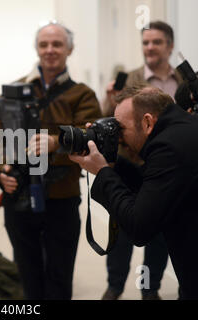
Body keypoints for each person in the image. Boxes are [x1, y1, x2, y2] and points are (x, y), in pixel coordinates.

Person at [0, 22, 102, 299]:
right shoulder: (14, 90)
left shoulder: (83, 95)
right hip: (19, 196)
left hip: (62, 199)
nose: (50, 50)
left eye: (57, 44)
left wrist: (56, 141)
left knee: (60, 277)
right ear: (37, 49)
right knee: (28, 275)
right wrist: (2, 168)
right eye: (44, 45)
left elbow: (93, 135)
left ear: (69, 49)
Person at [70, 85, 198, 300]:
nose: (118, 138)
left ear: (147, 122)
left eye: (120, 129)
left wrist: (101, 172)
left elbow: (139, 226)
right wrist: (112, 163)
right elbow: (152, 187)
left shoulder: (170, 147)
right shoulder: (181, 128)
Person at [100, 21, 184, 300]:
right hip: (130, 167)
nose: (150, 47)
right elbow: (109, 124)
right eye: (146, 42)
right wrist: (108, 98)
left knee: (160, 235)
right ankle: (115, 287)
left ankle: (150, 289)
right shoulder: (129, 79)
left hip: (167, 170)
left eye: (156, 42)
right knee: (123, 232)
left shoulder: (184, 81)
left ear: (169, 46)